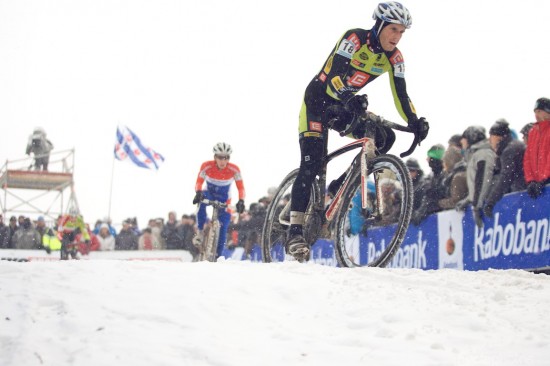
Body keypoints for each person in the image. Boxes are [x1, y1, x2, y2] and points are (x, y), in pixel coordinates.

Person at [285, 1, 429, 261]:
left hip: (344, 107)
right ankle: (294, 231)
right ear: (380, 25)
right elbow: (335, 75)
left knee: (385, 137)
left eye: (402, 32)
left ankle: (344, 182)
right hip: (318, 102)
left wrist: (414, 120)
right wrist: (347, 98)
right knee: (311, 163)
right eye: (393, 30)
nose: (397, 37)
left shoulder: (394, 58)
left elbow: (401, 93)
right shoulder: (354, 38)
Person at [193, 142, 246, 259]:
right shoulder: (206, 166)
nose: (223, 161)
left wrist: (241, 200)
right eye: (220, 157)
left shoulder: (234, 169)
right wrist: (198, 192)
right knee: (201, 202)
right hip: (209, 194)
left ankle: (217, 257)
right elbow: (199, 182)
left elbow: (241, 187)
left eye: (226, 157)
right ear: (215, 157)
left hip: (225, 199)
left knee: (223, 230)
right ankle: (200, 231)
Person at [483, 120, 526, 217]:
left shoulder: (509, 150)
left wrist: (491, 202)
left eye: (491, 136)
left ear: (498, 137)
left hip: (525, 193)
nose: (489, 140)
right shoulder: (513, 146)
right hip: (525, 191)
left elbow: (506, 178)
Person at [456, 126, 496, 228]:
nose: (461, 141)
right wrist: (469, 199)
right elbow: (475, 183)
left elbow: (483, 180)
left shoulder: (483, 154)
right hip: (481, 202)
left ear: (470, 138)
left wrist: (477, 205)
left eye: (464, 138)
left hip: (486, 204)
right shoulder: (475, 155)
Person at [411, 144, 446, 225]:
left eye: (429, 157)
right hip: (434, 220)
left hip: (440, 220)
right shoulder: (431, 177)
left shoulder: (443, 175)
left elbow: (434, 198)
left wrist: (423, 211)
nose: (426, 159)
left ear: (434, 159)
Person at [523, 97, 550, 199]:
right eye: (535, 112)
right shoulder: (533, 132)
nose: (536, 115)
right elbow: (527, 159)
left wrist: (545, 179)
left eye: (539, 111)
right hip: (539, 187)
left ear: (548, 112)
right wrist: (531, 180)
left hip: (546, 184)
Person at [438, 146, 467, 210]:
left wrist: (440, 203)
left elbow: (457, 201)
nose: (443, 165)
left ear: (449, 162)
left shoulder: (458, 177)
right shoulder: (462, 173)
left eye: (444, 161)